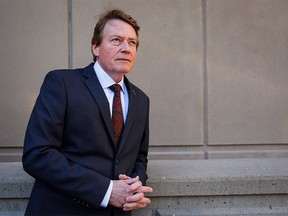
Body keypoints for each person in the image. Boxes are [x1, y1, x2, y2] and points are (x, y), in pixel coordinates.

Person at [22, 9, 153, 216]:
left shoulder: (141, 100)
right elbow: (38, 154)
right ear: (96, 47)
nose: (126, 48)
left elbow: (139, 157)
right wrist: (106, 190)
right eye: (116, 40)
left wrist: (134, 187)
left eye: (132, 42)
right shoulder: (62, 83)